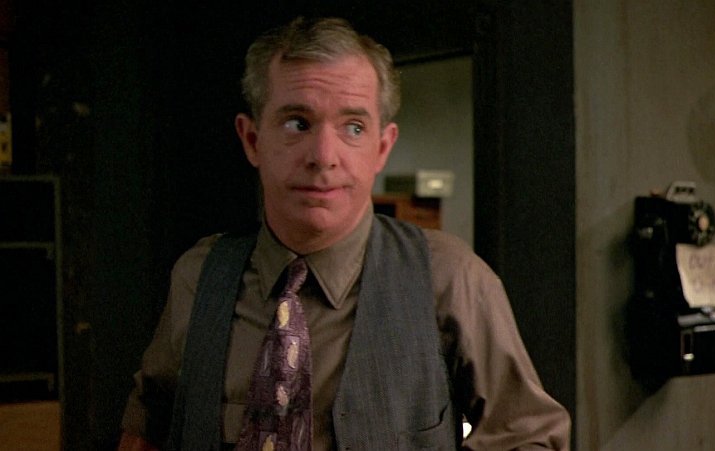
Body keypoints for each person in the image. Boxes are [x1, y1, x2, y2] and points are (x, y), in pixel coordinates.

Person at [119, 16, 570, 451]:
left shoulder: (448, 278)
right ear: (252, 140)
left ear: (382, 147)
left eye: (353, 127)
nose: (323, 155)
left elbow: (527, 437)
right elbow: (148, 423)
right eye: (298, 123)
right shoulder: (199, 277)